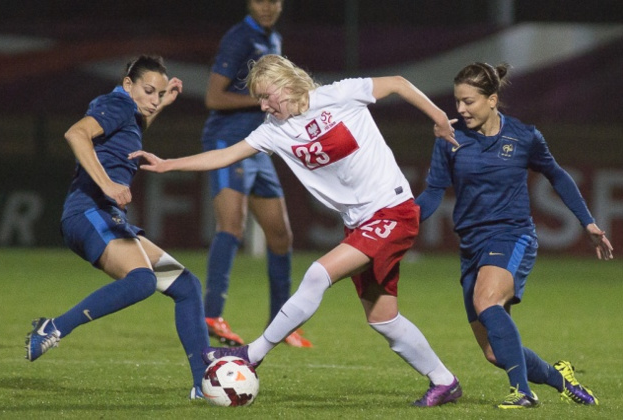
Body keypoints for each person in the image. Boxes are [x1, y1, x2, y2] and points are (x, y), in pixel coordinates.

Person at [130, 54, 464, 407]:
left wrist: (440, 119)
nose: (263, 105)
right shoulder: (275, 130)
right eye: (258, 98)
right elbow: (226, 155)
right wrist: (169, 164)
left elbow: (397, 81)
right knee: (383, 319)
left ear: (286, 84)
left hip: (392, 211)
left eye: (265, 95)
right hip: (360, 223)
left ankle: (252, 354)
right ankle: (444, 382)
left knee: (318, 274)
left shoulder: (338, 96)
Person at [415, 62, 614, 409]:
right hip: (471, 246)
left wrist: (588, 222)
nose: (459, 109)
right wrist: (402, 221)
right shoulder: (449, 138)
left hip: (512, 235)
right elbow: (433, 192)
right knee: (494, 351)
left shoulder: (524, 136)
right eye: (457, 102)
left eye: (468, 102)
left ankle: (523, 393)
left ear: (492, 100)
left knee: (487, 302)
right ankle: (561, 378)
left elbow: (558, 176)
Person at [24, 55, 211, 400]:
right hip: (89, 210)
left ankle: (204, 384)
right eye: (149, 91)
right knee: (142, 280)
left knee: (186, 286)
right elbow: (76, 134)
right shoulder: (117, 104)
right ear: (128, 86)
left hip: (103, 214)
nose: (154, 99)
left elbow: (127, 136)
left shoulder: (126, 112)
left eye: (159, 93)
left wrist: (162, 105)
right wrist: (109, 185)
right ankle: (54, 328)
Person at [201, 0, 310, 348]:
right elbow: (214, 98)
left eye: (273, 1)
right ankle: (211, 314)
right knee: (231, 225)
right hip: (228, 140)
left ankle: (283, 323)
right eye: (260, 0)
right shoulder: (239, 38)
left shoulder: (272, 39)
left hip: (259, 147)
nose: (267, 7)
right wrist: (265, 100)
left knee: (280, 236)